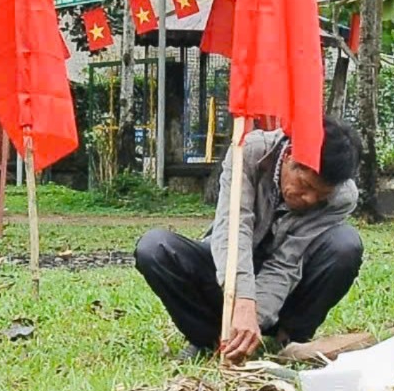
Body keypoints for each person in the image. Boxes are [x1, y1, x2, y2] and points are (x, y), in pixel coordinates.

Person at [134, 119, 365, 361]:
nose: (309, 199)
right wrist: (242, 301)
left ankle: (290, 338)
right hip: (227, 271)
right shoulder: (249, 151)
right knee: (155, 248)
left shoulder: (342, 198)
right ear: (289, 156)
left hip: (286, 291)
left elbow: (286, 263)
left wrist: (253, 316)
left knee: (345, 245)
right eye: (306, 186)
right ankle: (209, 339)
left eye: (321, 195)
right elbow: (233, 229)